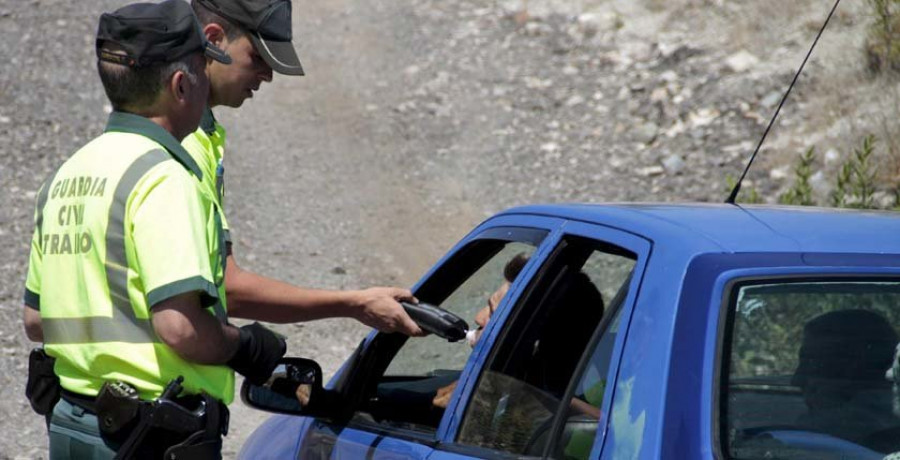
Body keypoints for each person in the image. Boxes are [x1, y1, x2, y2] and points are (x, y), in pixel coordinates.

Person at [21, 1, 287, 457]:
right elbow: (181, 328)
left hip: (72, 426)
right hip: (149, 437)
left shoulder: (67, 175)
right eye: (205, 72)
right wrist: (245, 347)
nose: (208, 85)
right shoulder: (165, 178)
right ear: (182, 85)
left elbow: (36, 320)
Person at [181, 0, 424, 335]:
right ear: (214, 38)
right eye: (259, 57)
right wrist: (354, 304)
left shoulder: (193, 133)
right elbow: (228, 287)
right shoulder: (182, 141)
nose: (267, 75)